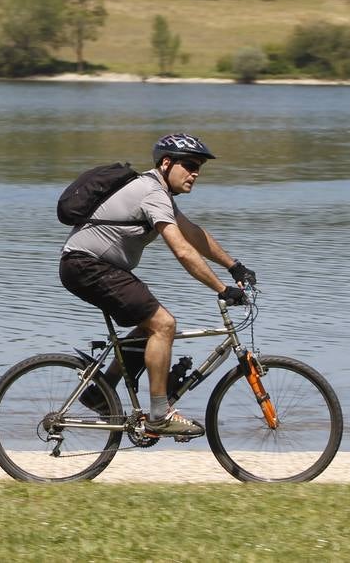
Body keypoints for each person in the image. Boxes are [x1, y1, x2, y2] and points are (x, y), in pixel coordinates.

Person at [58, 132, 256, 437]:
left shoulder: (157, 192)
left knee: (150, 327)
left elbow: (193, 234)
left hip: (94, 267)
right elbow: (181, 249)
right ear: (166, 163)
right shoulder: (151, 192)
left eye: (199, 168)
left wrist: (234, 266)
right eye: (189, 165)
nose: (195, 173)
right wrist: (221, 289)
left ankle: (100, 392)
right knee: (164, 324)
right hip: (87, 266)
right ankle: (160, 415)